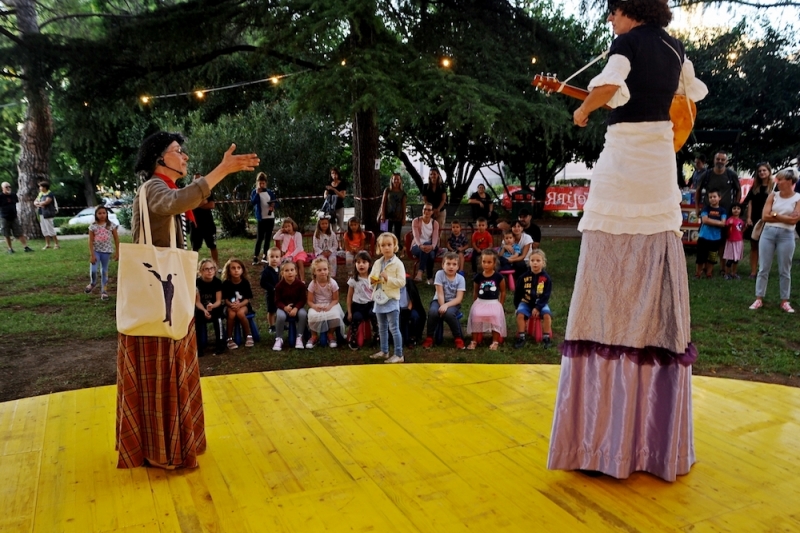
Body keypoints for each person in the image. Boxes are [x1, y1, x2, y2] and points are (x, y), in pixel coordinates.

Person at [548, 0, 707, 482]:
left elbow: (613, 85)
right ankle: (651, 438)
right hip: (659, 166)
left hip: (622, 169)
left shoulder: (626, 42)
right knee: (654, 268)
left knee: (605, 273)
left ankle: (600, 434)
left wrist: (582, 108)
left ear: (627, 11)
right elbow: (687, 104)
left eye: (613, 12)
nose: (610, 21)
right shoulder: (676, 48)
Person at [118, 130, 258, 469]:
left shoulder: (159, 189)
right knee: (165, 371)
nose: (184, 157)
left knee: (165, 371)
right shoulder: (154, 187)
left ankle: (161, 447)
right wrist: (221, 170)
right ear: (159, 158)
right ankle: (164, 450)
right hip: (159, 305)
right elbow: (177, 203)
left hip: (161, 299)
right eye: (178, 151)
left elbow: (179, 203)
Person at [749, 168, 800, 313]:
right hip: (768, 233)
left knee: (785, 269)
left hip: (787, 235)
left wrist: (775, 214)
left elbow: (794, 220)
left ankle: (785, 300)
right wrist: (784, 216)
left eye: (781, 179)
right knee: (763, 267)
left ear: (790, 181)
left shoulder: (798, 198)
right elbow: (765, 216)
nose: (778, 182)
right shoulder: (773, 195)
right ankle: (759, 298)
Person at [368, 232, 407, 363]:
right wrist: (374, 280)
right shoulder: (378, 263)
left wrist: (387, 279)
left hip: (391, 299)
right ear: (379, 247)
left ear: (395, 245)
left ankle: (399, 354)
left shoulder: (398, 264)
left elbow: (402, 282)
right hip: (379, 299)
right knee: (382, 327)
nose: (386, 248)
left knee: (394, 328)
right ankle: (384, 351)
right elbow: (371, 278)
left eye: (389, 245)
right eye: (383, 245)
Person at [421, 252, 467, 350]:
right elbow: (440, 293)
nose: (451, 267)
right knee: (433, 312)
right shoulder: (439, 274)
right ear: (443, 265)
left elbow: (459, 298)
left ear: (458, 266)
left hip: (453, 302)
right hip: (438, 300)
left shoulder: (461, 279)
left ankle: (458, 338)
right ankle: (429, 338)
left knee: (449, 314)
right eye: (448, 264)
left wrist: (446, 306)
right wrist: (442, 305)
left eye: (454, 264)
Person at [466, 249, 507, 350]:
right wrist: (475, 303)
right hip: (480, 302)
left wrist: (500, 304)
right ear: (481, 262)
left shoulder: (499, 277)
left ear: (494, 263)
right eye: (484, 262)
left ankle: (495, 341)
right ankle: (474, 341)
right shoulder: (478, 277)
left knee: (495, 317)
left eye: (489, 262)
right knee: (476, 316)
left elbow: (503, 291)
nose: (486, 265)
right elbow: (475, 292)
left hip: (493, 303)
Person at [513, 249, 553, 349]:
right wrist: (517, 306)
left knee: (547, 315)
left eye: (538, 261)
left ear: (543, 262)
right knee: (520, 314)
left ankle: (546, 337)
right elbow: (518, 293)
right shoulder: (523, 277)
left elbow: (546, 296)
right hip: (526, 302)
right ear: (529, 262)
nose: (535, 263)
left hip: (541, 303)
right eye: (532, 260)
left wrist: (538, 308)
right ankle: (521, 336)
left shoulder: (546, 278)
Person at [306, 256, 346, 348]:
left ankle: (330, 334)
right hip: (317, 305)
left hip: (330, 304)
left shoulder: (332, 283)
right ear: (314, 272)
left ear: (328, 270)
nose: (322, 272)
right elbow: (309, 301)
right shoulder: (313, 284)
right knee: (311, 315)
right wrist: (315, 306)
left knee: (336, 315)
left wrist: (329, 306)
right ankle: (314, 336)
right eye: (319, 270)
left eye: (325, 269)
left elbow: (335, 299)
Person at [743, 162, 773, 278]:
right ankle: (753, 271)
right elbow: (749, 202)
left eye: (764, 170)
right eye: (760, 171)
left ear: (769, 172)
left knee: (766, 247)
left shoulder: (774, 188)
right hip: (755, 219)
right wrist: (748, 218)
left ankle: (763, 271)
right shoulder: (755, 187)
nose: (762, 173)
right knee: (754, 246)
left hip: (768, 219)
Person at [85, 205, 120, 301]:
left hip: (106, 251)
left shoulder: (111, 225)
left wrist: (117, 252)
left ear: (107, 214)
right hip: (96, 251)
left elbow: (116, 239)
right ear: (96, 214)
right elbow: (90, 241)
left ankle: (104, 291)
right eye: (99, 213)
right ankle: (93, 283)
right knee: (93, 270)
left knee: (104, 271)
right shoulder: (93, 226)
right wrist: (92, 254)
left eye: (104, 213)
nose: (102, 215)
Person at [345, 251, 379, 350]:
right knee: (356, 317)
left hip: (370, 304)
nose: (361, 265)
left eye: (364, 262)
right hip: (358, 306)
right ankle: (353, 337)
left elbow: (379, 293)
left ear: (369, 264)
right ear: (355, 264)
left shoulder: (373, 279)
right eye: (358, 262)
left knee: (373, 314)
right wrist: (350, 312)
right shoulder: (353, 280)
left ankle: (377, 335)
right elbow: (349, 297)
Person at [273, 261, 308, 351]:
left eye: (292, 270)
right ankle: (279, 338)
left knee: (303, 314)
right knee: (280, 316)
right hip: (283, 307)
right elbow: (277, 301)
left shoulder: (300, 285)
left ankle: (299, 337)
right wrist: (285, 307)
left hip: (297, 307)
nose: (290, 272)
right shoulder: (279, 286)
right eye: (287, 270)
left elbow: (303, 300)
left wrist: (296, 308)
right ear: (282, 273)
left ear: (296, 272)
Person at [695, 151, 741, 218]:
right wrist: (697, 208)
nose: (720, 161)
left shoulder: (731, 175)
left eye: (723, 160)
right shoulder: (706, 174)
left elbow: (738, 190)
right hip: (708, 212)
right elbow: (698, 190)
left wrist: (736, 207)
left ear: (726, 161)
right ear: (714, 160)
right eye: (718, 159)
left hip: (726, 212)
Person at [222, 258, 255, 349]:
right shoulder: (226, 283)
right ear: (228, 271)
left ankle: (248, 335)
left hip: (243, 305)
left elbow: (247, 299)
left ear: (242, 270)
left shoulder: (245, 283)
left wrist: (239, 305)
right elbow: (226, 300)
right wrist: (232, 305)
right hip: (230, 306)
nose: (236, 270)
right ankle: (229, 338)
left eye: (238, 268)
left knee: (240, 313)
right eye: (233, 268)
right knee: (232, 314)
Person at [195, 259, 225, 355]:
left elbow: (218, 301)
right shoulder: (197, 283)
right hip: (201, 308)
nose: (210, 271)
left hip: (214, 307)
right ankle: (198, 347)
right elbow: (197, 302)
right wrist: (204, 310)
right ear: (200, 271)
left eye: (212, 268)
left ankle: (220, 345)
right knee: (197, 317)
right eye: (206, 269)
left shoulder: (217, 282)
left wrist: (212, 306)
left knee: (218, 318)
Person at [695, 190, 726, 279]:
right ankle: (698, 273)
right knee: (700, 257)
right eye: (710, 197)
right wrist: (718, 222)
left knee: (712, 257)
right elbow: (705, 220)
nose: (712, 199)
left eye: (714, 197)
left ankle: (709, 273)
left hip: (715, 238)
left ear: (719, 198)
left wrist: (710, 221)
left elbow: (723, 223)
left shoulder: (722, 210)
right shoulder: (706, 209)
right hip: (703, 237)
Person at [190, 173, 219, 266]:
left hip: (208, 224)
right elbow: (189, 206)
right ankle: (193, 268)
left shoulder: (208, 191)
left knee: (213, 246)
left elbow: (211, 205)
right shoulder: (189, 192)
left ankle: (215, 266)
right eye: (195, 180)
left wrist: (196, 204)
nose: (197, 182)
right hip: (195, 224)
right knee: (194, 248)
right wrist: (202, 202)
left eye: (199, 180)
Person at [250, 172, 278, 265]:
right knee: (259, 238)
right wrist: (257, 193)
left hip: (270, 217)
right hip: (261, 218)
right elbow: (253, 202)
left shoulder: (269, 192)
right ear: (257, 183)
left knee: (267, 237)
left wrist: (273, 205)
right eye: (260, 183)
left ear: (266, 183)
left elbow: (275, 202)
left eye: (263, 183)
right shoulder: (255, 192)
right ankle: (255, 256)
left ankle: (265, 255)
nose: (262, 185)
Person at [410, 203, 440, 284]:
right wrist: (420, 245)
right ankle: (429, 277)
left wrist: (433, 246)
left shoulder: (435, 223)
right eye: (424, 209)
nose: (426, 211)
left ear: (432, 212)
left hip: (431, 246)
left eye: (429, 210)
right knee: (430, 254)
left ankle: (420, 274)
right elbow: (416, 236)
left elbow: (435, 238)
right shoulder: (416, 221)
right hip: (417, 245)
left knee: (429, 251)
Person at [1, 182, 33, 254]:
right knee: (6, 234)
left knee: (19, 232)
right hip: (4, 217)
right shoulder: (1, 196)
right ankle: (10, 249)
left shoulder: (13, 195)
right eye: (6, 187)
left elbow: (16, 203)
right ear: (2, 188)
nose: (8, 188)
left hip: (14, 217)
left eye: (9, 186)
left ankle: (26, 247)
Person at [379, 172, 407, 250]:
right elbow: (383, 203)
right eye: (395, 179)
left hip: (398, 216)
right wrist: (382, 214)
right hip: (387, 215)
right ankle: (385, 248)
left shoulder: (403, 193)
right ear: (392, 180)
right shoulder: (387, 190)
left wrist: (404, 217)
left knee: (397, 234)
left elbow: (404, 206)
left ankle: (396, 249)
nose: (396, 181)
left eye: (398, 179)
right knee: (386, 233)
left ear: (400, 180)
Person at [259, 247, 282, 333]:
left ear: (280, 258)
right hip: (271, 294)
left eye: (277, 257)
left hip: (280, 294)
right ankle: (271, 326)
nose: (274, 259)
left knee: (280, 309)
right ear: (268, 258)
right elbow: (263, 282)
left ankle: (280, 324)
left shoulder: (280, 270)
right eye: (271, 257)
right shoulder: (266, 271)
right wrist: (272, 288)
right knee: (271, 310)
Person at [399, 274, 426, 347]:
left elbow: (413, 297)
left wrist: (409, 309)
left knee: (415, 317)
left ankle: (413, 337)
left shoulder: (409, 282)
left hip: (409, 308)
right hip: (397, 310)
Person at [34, 181, 59, 249]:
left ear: (45, 187)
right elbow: (35, 202)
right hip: (41, 213)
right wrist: (39, 204)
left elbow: (46, 202)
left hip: (48, 214)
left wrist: (40, 203)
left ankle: (56, 244)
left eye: (40, 186)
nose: (39, 188)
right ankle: (47, 244)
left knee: (50, 229)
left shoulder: (49, 194)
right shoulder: (40, 194)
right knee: (44, 229)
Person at [723, 203, 745, 279]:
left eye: (738, 208)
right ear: (731, 210)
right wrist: (729, 225)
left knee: (736, 260)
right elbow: (726, 230)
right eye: (734, 208)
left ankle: (734, 273)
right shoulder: (729, 220)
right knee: (730, 259)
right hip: (731, 241)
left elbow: (741, 231)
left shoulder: (741, 221)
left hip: (739, 241)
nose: (736, 210)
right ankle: (726, 273)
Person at [325, 168, 347, 232]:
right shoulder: (329, 183)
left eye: (335, 173)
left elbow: (343, 196)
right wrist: (328, 196)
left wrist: (334, 189)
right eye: (332, 173)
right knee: (332, 224)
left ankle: (340, 240)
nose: (334, 175)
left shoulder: (342, 183)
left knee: (340, 225)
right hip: (331, 207)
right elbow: (325, 195)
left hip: (339, 206)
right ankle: (333, 239)